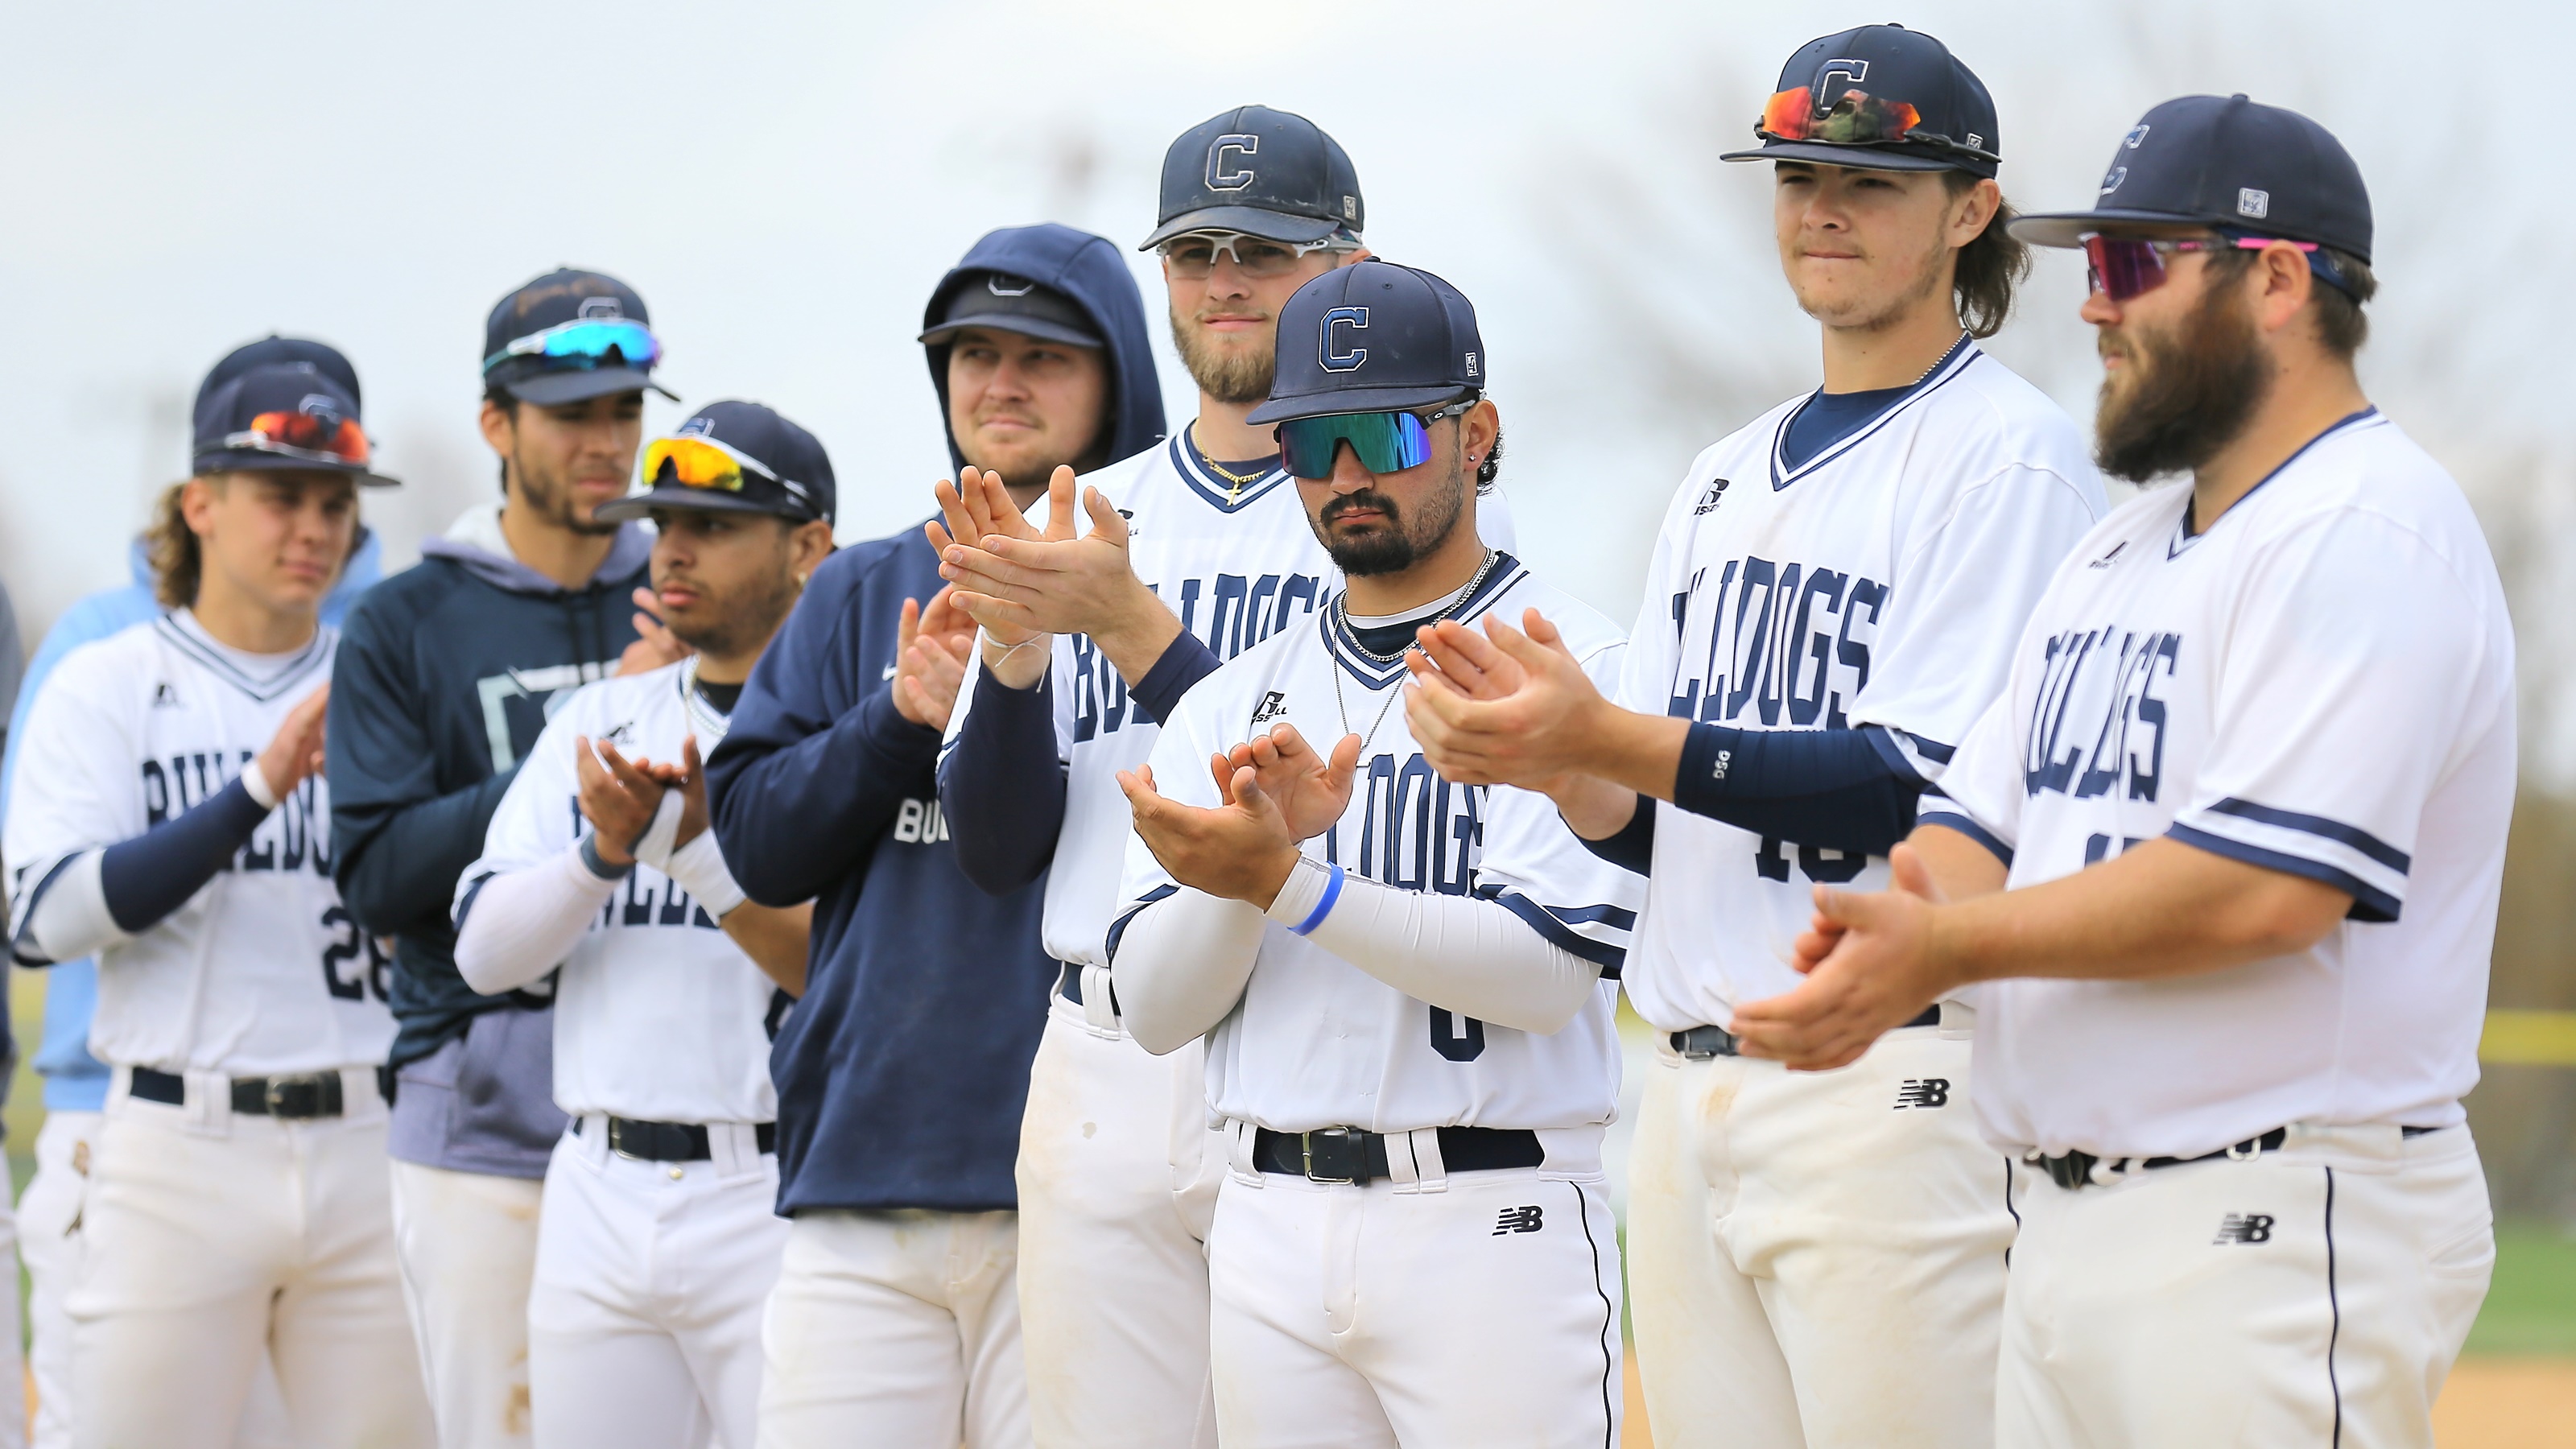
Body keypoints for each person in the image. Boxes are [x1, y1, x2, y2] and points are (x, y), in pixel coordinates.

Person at [1740, 95, 2507, 1449]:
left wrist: (1946, 944)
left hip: (2268, 1218)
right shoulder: (2119, 550)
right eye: (2094, 267)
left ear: (2277, 281)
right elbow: (1971, 820)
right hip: (2066, 1227)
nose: (2095, 308)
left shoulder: (2368, 528)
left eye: (2133, 265)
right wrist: (1896, 929)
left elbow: (2263, 892)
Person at [1402, 25, 2107, 1449]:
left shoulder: (2008, 457)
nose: (1822, 205)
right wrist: (1568, 764)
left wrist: (1615, 736)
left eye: (1871, 176)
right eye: (1796, 173)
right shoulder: (1724, 475)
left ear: (1970, 210)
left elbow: (1917, 794)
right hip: (1689, 1087)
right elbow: (1670, 818)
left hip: (1891, 1092)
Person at [931, 105, 1509, 1449]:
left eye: (1266, 249)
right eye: (1194, 253)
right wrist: (1014, 656)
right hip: (1102, 1044)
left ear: (1349, 266)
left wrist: (1130, 627)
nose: (1227, 281)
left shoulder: (1413, 503)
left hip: (1322, 1034)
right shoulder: (1083, 507)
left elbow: (1386, 780)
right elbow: (995, 849)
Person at [1110, 262, 1637, 1447]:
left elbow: (1546, 976)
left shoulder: (1571, 663)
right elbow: (1150, 1009)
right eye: (1313, 440)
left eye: (1384, 430)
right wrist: (1247, 881)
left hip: (1489, 1217)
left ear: (1475, 433)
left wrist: (1287, 882)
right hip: (1267, 1219)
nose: (1348, 474)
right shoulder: (1234, 696)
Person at [705, 222, 1164, 1448]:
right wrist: (901, 715)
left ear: (1117, 371)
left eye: (1042, 355)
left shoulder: (1160, 587)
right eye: (972, 352)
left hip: (1086, 1189)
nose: (1000, 381)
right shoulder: (859, 590)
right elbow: (752, 843)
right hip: (863, 1175)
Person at [4, 357, 431, 1448]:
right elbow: (43, 921)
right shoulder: (106, 679)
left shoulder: (388, 685)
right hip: (175, 1146)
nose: (315, 528)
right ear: (199, 506)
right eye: (280, 497)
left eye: (335, 504)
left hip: (367, 1139)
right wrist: (253, 792)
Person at [328, 269, 676, 1449]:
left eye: (625, 412)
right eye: (571, 414)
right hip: (482, 1113)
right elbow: (376, 874)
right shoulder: (405, 621)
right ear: (496, 425)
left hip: (675, 1093)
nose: (606, 443)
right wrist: (584, 739)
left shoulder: (692, 584)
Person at [452, 401, 832, 1449]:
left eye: (713, 525)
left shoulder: (851, 723)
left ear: (807, 546)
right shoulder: (599, 722)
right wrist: (600, 853)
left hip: (773, 1187)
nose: (674, 551)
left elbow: (833, 972)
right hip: (596, 1183)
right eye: (664, 525)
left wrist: (692, 851)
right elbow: (483, 954)